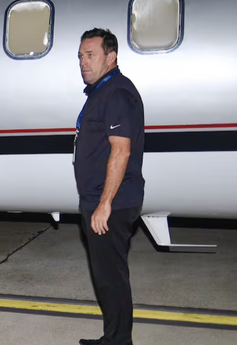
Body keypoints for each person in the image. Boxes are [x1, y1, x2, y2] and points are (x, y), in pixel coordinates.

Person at [73, 28, 145, 345]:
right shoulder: (102, 91)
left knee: (111, 277)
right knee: (107, 276)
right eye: (80, 56)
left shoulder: (116, 92)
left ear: (111, 57)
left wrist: (104, 205)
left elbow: (121, 150)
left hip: (110, 202)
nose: (83, 62)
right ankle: (113, 337)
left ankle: (119, 341)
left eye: (90, 55)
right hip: (100, 199)